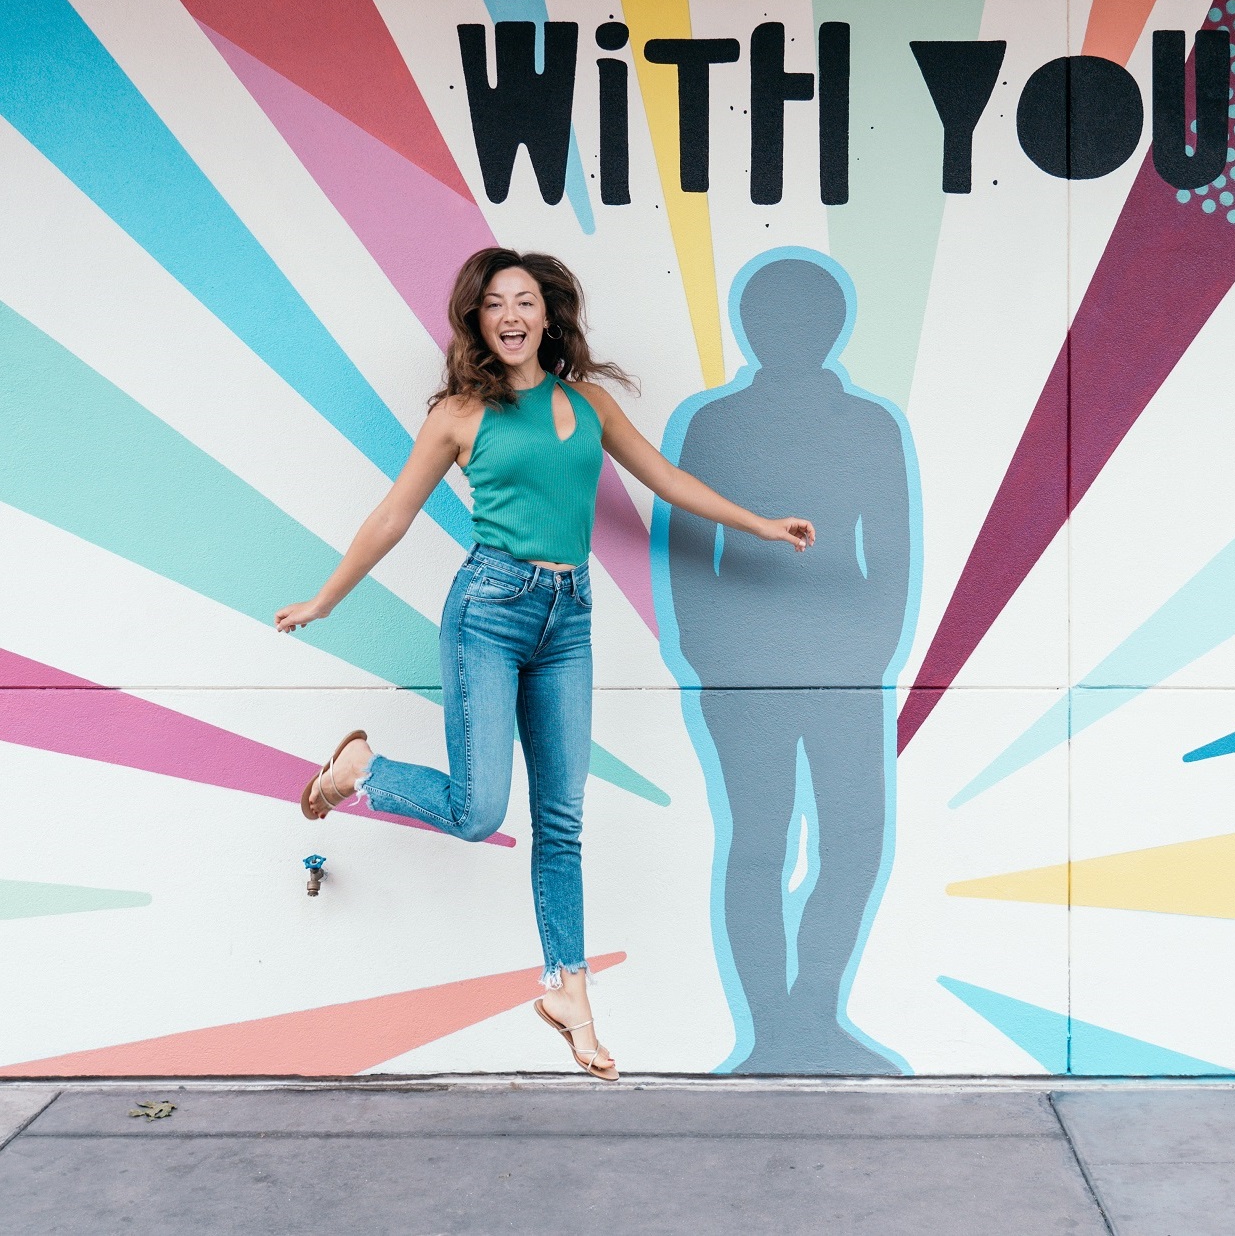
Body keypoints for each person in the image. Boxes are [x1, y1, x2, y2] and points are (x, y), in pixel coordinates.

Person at [274, 248, 814, 1082]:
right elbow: (392, 515)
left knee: (561, 824)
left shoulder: (587, 403)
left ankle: (569, 989)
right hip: (487, 611)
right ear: (478, 322)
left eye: (525, 299)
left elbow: (666, 481)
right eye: (496, 304)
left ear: (548, 315)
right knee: (477, 809)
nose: (513, 314)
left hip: (570, 617)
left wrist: (761, 523)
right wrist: (327, 598)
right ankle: (363, 770)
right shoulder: (460, 414)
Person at [661, 252, 918, 1074]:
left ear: (833, 327)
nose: (796, 332)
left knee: (854, 842)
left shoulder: (870, 425)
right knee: (759, 844)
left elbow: (892, 554)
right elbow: (688, 553)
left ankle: (809, 1014)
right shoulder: (717, 425)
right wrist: (710, 656)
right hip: (743, 672)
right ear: (753, 328)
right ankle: (774, 1030)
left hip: (845, 670)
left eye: (812, 318)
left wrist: (868, 656)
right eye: (779, 318)